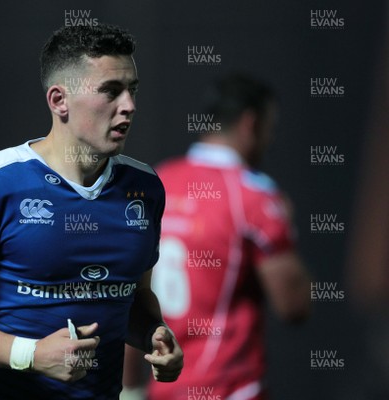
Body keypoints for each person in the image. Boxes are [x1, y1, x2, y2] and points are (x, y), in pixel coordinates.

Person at [0, 24, 183, 399]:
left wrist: (154, 334)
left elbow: (130, 295)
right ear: (59, 101)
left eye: (132, 90)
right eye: (110, 91)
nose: (129, 106)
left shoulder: (145, 186)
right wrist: (30, 354)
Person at [123, 74, 311, 400]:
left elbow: (125, 295)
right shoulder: (254, 198)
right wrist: (286, 230)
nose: (270, 139)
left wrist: (129, 387)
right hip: (228, 390)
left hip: (162, 388)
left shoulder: (157, 182)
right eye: (271, 129)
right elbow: (294, 306)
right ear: (251, 124)